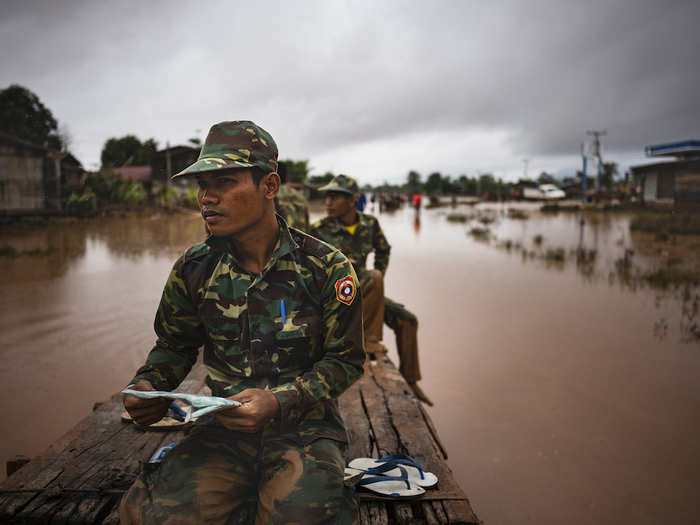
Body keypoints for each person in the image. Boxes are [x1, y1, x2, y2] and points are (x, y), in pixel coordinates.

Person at [120, 121, 365, 525]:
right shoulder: (195, 267)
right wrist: (150, 385)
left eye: (224, 182)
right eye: (201, 185)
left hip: (304, 430)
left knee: (303, 516)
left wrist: (278, 400)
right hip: (222, 430)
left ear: (269, 186)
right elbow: (175, 344)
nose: (206, 198)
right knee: (153, 515)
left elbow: (346, 360)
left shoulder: (325, 267)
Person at [309, 174, 433, 406]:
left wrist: (378, 279)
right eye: (327, 197)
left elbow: (384, 249)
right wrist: (337, 267)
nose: (328, 202)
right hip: (335, 298)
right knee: (372, 279)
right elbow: (304, 268)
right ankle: (370, 343)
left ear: (352, 200)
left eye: (335, 197)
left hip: (365, 289)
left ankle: (411, 380)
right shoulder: (318, 229)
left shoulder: (369, 224)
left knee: (408, 320)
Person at [275, 160, 310, 231]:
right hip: (300, 239)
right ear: (287, 177)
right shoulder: (300, 196)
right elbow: (307, 224)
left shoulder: (270, 195)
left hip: (283, 240)